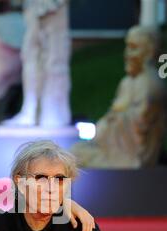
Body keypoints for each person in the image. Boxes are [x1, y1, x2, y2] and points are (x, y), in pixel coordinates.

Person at [71, 25, 167, 168]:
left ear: (149, 52)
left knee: (80, 156)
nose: (127, 54)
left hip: (131, 154)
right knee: (76, 151)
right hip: (111, 147)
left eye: (133, 48)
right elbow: (115, 113)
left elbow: (140, 125)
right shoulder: (127, 82)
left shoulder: (151, 85)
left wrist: (114, 119)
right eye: (127, 47)